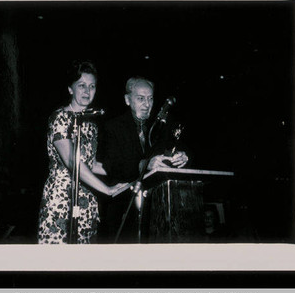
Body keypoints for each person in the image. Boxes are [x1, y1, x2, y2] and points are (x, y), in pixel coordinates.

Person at [38, 60, 126, 244]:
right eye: (81, 85)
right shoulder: (60, 117)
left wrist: (130, 172)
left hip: (86, 203)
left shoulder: (91, 124)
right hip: (62, 202)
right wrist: (107, 189)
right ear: (70, 89)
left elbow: (91, 164)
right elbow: (72, 161)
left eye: (92, 86)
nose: (87, 91)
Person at [98, 76, 189, 243]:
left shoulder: (162, 125)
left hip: (158, 209)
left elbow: (179, 147)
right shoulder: (112, 127)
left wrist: (183, 156)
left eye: (150, 98)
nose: (147, 105)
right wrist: (144, 165)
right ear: (127, 99)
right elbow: (113, 165)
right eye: (140, 99)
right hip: (125, 209)